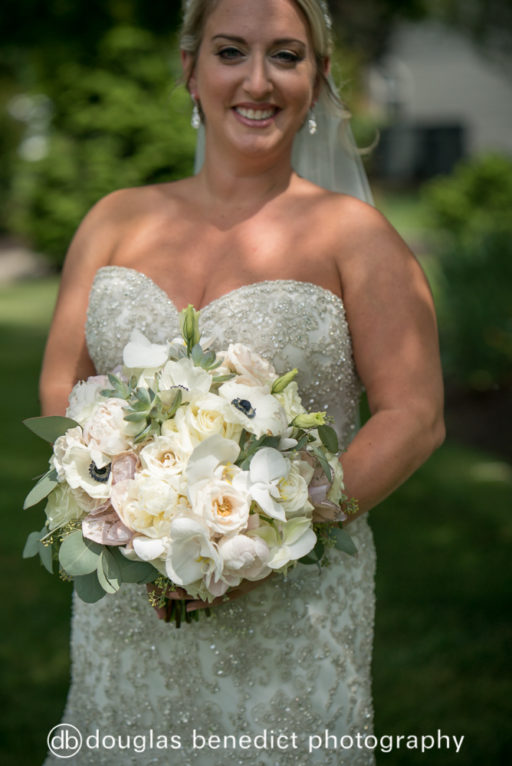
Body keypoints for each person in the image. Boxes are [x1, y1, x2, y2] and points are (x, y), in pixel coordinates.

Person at [39, 0, 445, 763]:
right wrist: (122, 511)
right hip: (129, 602)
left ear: (318, 79)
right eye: (232, 52)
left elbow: (414, 416)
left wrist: (261, 543)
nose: (258, 81)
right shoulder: (114, 220)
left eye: (287, 57)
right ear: (190, 68)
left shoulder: (356, 238)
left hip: (291, 610)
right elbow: (66, 380)